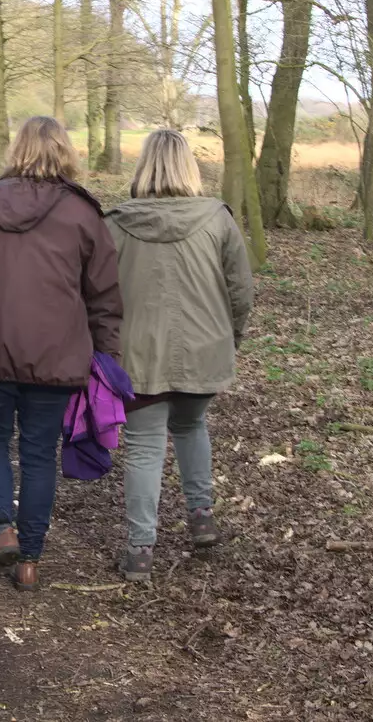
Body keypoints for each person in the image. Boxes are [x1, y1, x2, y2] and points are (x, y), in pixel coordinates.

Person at [0, 116, 123, 591]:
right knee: (38, 455)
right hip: (56, 359)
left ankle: (1, 530)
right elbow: (105, 294)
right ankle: (29, 560)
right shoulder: (83, 214)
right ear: (65, 152)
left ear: (17, 151)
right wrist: (106, 355)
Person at [106, 129, 253, 583]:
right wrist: (233, 336)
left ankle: (140, 551)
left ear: (143, 166)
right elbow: (240, 290)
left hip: (138, 354)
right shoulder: (217, 218)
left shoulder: (114, 224)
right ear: (189, 166)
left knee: (145, 447)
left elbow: (96, 293)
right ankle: (202, 515)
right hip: (204, 347)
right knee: (191, 426)